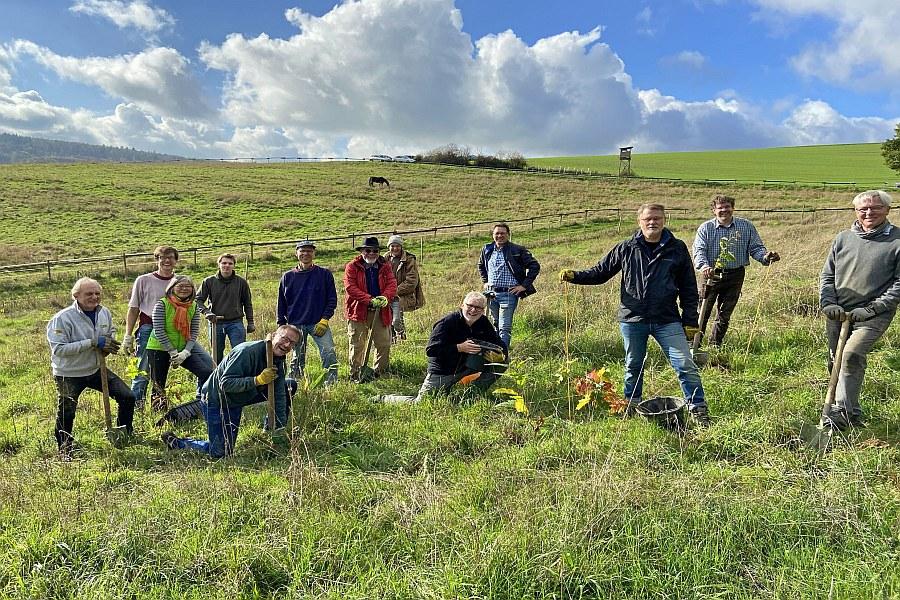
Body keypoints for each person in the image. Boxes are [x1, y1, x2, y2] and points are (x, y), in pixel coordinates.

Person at [560, 203, 710, 426]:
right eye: (648, 219)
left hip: (667, 319)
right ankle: (631, 405)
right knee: (633, 365)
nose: (652, 222)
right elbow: (601, 273)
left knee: (684, 364)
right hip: (632, 319)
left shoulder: (677, 248)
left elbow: (688, 286)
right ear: (639, 222)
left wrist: (690, 320)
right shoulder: (627, 247)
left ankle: (697, 408)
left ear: (664, 220)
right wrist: (575, 276)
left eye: (657, 218)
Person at [820, 190, 900, 430]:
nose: (869, 212)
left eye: (875, 207)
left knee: (851, 355)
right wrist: (828, 303)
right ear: (856, 211)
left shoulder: (897, 241)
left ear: (887, 210)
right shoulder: (843, 238)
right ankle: (850, 413)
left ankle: (840, 413)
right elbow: (827, 275)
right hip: (838, 312)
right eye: (863, 209)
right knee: (835, 360)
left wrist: (872, 309)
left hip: (874, 314)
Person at [161, 325, 301, 458]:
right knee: (221, 452)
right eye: (284, 338)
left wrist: (279, 428)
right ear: (274, 335)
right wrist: (257, 380)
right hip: (218, 400)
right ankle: (177, 443)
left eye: (292, 343)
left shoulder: (279, 360)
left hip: (241, 395)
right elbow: (226, 384)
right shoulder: (246, 352)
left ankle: (268, 430)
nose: (287, 345)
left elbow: (279, 395)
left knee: (288, 385)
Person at [47, 277, 134, 458]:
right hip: (69, 374)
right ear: (76, 296)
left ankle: (123, 437)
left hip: (95, 369)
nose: (94, 297)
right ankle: (65, 448)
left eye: (97, 293)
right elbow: (59, 349)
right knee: (67, 411)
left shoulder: (104, 312)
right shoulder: (62, 319)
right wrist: (92, 342)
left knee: (127, 396)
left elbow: (110, 332)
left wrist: (108, 344)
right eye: (89, 294)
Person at [380, 292, 508, 403]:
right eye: (470, 306)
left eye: (478, 308)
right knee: (421, 402)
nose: (473, 310)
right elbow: (431, 350)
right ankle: (384, 399)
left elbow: (500, 344)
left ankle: (470, 396)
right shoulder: (447, 323)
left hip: (467, 366)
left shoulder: (483, 322)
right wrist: (459, 347)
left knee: (503, 363)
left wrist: (501, 355)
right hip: (443, 370)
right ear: (462, 305)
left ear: (483, 310)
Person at [692, 195, 780, 347]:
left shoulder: (746, 226)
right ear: (714, 210)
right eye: (720, 208)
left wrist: (766, 257)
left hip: (735, 275)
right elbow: (699, 250)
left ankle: (715, 345)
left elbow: (756, 248)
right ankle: (694, 345)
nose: (724, 210)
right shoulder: (705, 228)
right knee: (702, 312)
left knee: (725, 314)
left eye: (727, 207)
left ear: (733, 208)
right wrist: (704, 266)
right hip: (711, 274)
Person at [145, 275, 215, 411]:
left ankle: (203, 405)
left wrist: (186, 352)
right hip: (159, 348)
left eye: (188, 286)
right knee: (158, 384)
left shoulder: (193, 306)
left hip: (183, 349)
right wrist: (172, 351)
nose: (184, 289)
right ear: (172, 288)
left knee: (206, 373)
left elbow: (193, 332)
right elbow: (159, 330)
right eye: (180, 286)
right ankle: (159, 413)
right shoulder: (162, 304)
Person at [122, 245, 178, 409]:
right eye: (162, 258)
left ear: (176, 261)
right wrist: (128, 336)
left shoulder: (179, 282)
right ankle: (136, 407)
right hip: (148, 327)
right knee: (142, 369)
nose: (166, 261)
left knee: (161, 371)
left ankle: (157, 405)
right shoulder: (143, 280)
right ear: (157, 260)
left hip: (170, 330)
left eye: (170, 258)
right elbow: (133, 308)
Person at [276, 240, 339, 385]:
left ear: (314, 254)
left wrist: (325, 319)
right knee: (297, 357)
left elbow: (332, 299)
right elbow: (281, 302)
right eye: (302, 251)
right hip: (295, 325)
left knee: (328, 352)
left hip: (318, 322)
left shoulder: (324, 274)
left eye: (309, 251)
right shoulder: (287, 277)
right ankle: (293, 384)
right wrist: (281, 324)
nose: (306, 253)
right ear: (296, 253)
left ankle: (331, 383)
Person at [477, 222, 540, 348]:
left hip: (508, 293)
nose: (500, 236)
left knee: (504, 327)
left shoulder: (517, 250)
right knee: (495, 324)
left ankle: (503, 353)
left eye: (503, 233)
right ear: (493, 235)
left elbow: (534, 266)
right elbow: (481, 265)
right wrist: (485, 281)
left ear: (508, 234)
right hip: (491, 294)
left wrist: (523, 286)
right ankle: (495, 350)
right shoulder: (487, 249)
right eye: (497, 233)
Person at [344, 236, 398, 381]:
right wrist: (370, 300)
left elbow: (392, 284)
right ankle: (356, 374)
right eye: (368, 251)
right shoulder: (352, 266)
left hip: (380, 311)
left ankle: (379, 373)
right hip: (358, 311)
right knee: (357, 344)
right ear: (362, 251)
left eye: (375, 251)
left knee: (384, 343)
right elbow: (350, 288)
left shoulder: (385, 266)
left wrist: (385, 297)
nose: (372, 253)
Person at [196, 253, 255, 364]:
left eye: (230, 263)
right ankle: (218, 374)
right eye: (224, 263)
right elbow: (198, 300)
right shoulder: (209, 281)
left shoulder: (241, 282)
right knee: (216, 355)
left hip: (236, 322)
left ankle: (236, 374)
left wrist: (250, 322)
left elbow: (247, 303)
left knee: (240, 352)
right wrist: (207, 312)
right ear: (219, 265)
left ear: (234, 266)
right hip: (216, 323)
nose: (227, 266)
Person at [384, 234, 425, 342]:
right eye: (392, 246)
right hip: (386, 295)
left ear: (401, 246)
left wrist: (394, 291)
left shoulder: (409, 259)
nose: (395, 248)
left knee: (396, 320)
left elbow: (412, 281)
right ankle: (392, 341)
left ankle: (402, 338)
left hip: (400, 295)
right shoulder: (384, 259)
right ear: (389, 247)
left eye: (397, 246)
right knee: (387, 319)